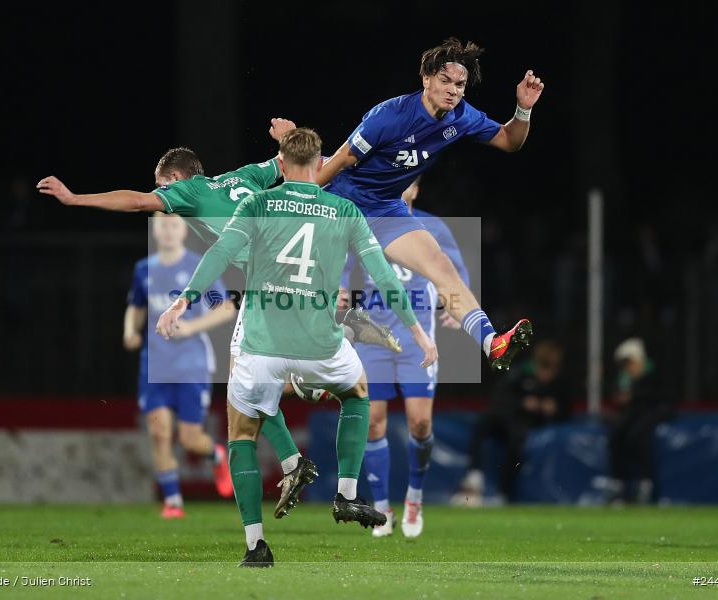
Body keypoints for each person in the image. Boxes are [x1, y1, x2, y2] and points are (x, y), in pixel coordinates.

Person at [156, 128, 437, 567]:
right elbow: (382, 274)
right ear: (320, 163)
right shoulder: (344, 209)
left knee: (241, 434)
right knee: (357, 392)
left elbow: (218, 254)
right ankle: (346, 494)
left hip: (262, 340)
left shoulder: (257, 203)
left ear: (281, 166)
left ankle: (256, 546)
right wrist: (417, 332)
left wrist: (182, 301)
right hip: (320, 341)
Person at [37, 123, 319, 516]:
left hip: (270, 285)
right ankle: (293, 459)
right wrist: (289, 136)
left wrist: (76, 199)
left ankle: (307, 383)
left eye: (161, 186)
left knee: (252, 382)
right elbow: (304, 161)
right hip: (297, 272)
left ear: (172, 178)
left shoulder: (188, 190)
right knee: (247, 383)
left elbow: (136, 202)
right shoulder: (246, 175)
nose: (161, 194)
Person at [299, 37, 544, 371]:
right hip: (343, 203)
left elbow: (509, 140)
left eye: (460, 84)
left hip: (386, 209)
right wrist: (302, 200)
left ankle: (492, 344)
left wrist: (523, 109)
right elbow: (340, 161)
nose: (453, 90)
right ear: (426, 79)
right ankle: (307, 362)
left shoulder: (461, 116)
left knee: (440, 267)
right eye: (445, 81)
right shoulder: (389, 115)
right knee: (313, 289)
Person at [347, 176, 470, 538]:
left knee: (420, 424)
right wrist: (340, 286)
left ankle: (414, 497)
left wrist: (456, 304)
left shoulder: (430, 226)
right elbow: (342, 255)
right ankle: (383, 509)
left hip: (416, 338)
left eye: (405, 182)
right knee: (373, 422)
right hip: (372, 335)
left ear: (415, 189)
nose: (399, 186)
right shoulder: (366, 220)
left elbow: (455, 271)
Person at [124, 213, 237, 517]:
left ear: (184, 229)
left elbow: (225, 308)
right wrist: (130, 331)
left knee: (189, 440)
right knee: (159, 433)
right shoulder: (144, 269)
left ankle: (215, 455)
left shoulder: (198, 266)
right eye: (162, 224)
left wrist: (192, 327)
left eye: (174, 224)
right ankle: (173, 502)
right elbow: (135, 306)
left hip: (191, 363)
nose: (168, 230)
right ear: (155, 229)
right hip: (154, 364)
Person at [455, 340, 570, 505]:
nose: (546, 373)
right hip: (507, 418)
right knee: (484, 424)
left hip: (524, 425)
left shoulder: (558, 384)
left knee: (515, 440)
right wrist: (523, 402)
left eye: (551, 368)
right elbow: (500, 398)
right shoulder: (520, 374)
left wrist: (553, 408)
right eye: (543, 366)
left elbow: (566, 409)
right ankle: (474, 475)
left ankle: (504, 493)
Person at [604, 338, 674, 505]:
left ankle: (644, 486)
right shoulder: (626, 379)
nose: (628, 368)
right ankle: (617, 486)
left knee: (638, 436)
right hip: (635, 415)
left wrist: (632, 397)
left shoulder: (654, 374)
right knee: (617, 434)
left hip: (652, 414)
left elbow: (662, 398)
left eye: (630, 363)